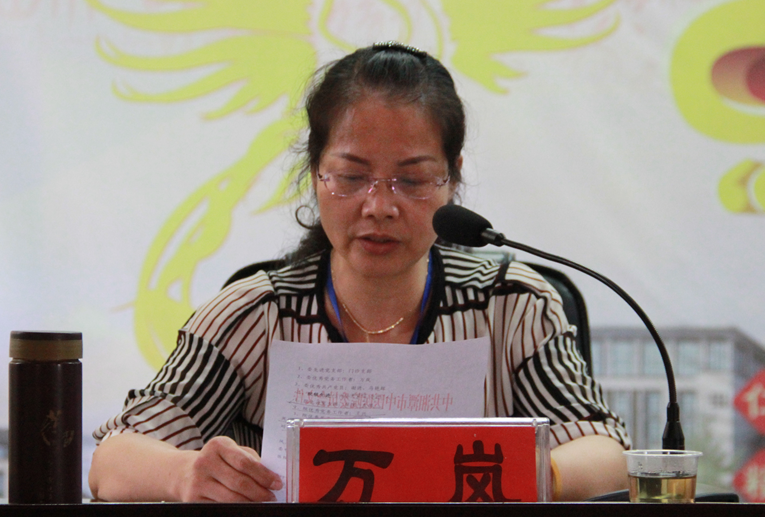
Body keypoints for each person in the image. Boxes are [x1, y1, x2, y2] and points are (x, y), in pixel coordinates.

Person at [89, 41, 630, 503]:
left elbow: (608, 452)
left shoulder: (511, 303)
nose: (379, 207)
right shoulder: (255, 314)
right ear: (315, 174)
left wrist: (538, 472)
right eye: (351, 177)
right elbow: (111, 462)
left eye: (411, 180)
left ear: (451, 179)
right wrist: (186, 474)